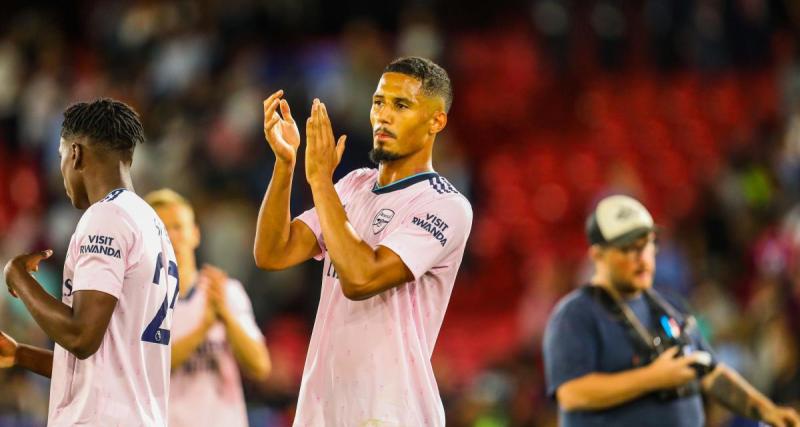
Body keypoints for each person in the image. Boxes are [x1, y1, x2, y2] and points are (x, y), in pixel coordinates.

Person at [254, 56, 472, 426]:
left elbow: (361, 278)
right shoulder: (353, 185)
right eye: (378, 102)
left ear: (436, 120)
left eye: (401, 105)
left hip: (390, 411)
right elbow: (274, 252)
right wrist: (286, 165)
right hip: (323, 407)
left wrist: (321, 181)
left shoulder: (446, 204)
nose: (383, 116)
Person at [543, 194, 800, 427]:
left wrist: (768, 412)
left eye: (646, 244)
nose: (641, 257)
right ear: (597, 256)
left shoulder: (670, 306)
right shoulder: (575, 315)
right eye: (626, 249)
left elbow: (709, 372)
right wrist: (653, 378)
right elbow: (573, 393)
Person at [0, 99, 179, 425]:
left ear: (76, 153)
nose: (61, 170)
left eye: (60, 156)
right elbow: (110, 361)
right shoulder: (152, 224)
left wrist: (16, 276)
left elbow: (82, 337)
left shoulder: (106, 217)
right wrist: (21, 354)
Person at [144, 188, 271, 427]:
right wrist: (203, 328)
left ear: (195, 234)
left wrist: (226, 317)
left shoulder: (225, 291)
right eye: (163, 229)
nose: (173, 236)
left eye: (179, 227)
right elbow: (149, 370)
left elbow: (260, 366)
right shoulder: (143, 302)